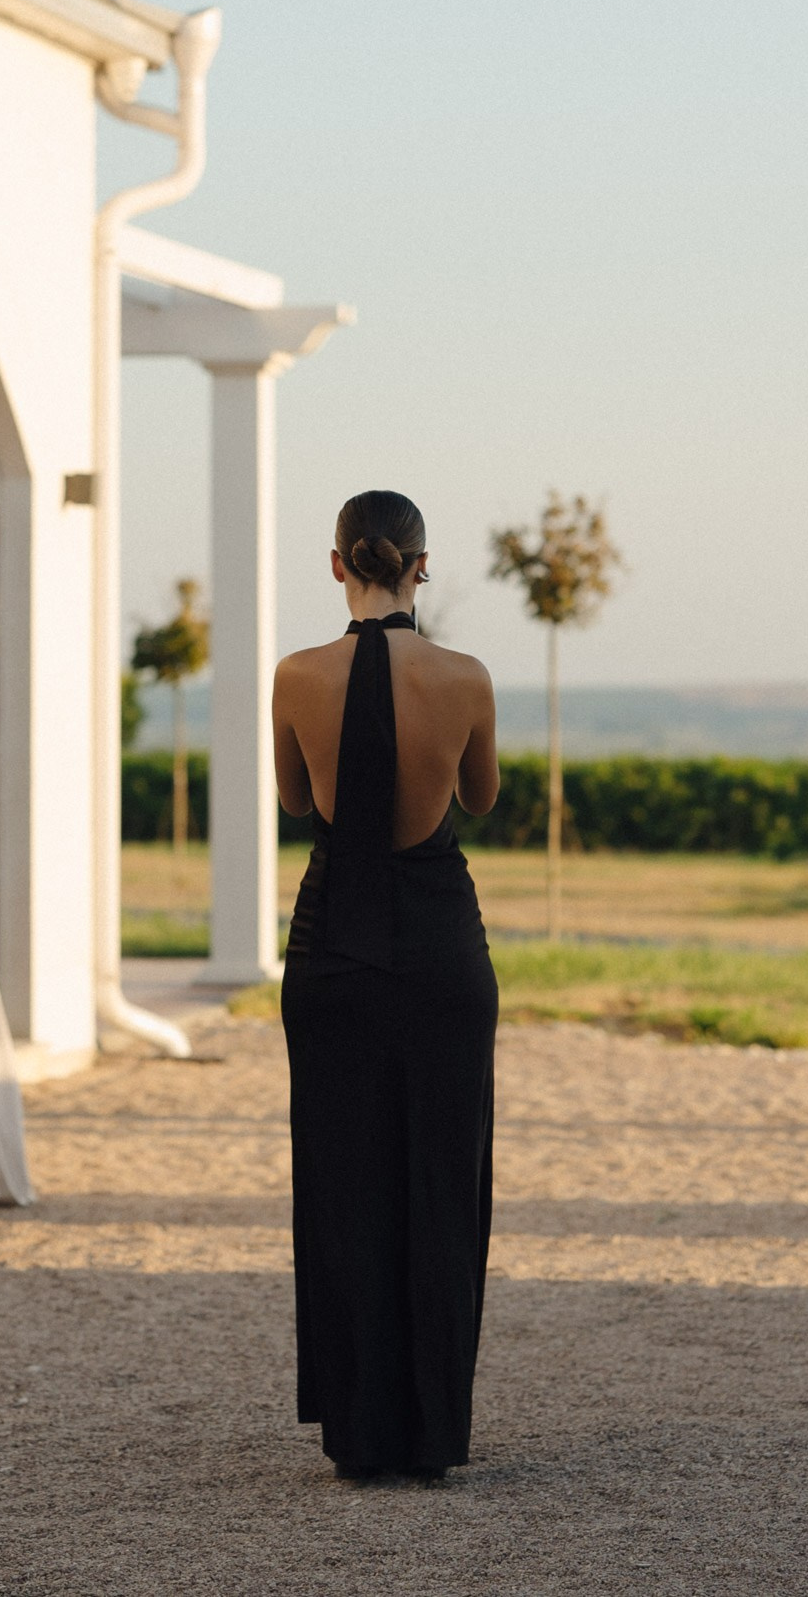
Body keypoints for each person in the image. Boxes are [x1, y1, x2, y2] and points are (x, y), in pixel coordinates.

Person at [273, 488, 500, 1482]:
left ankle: (359, 1433)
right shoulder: (466, 677)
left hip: (333, 947)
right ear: (422, 566)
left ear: (337, 565)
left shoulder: (295, 676)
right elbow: (478, 797)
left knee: (341, 1181)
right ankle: (432, 1432)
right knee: (443, 1182)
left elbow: (298, 800)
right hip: (441, 947)